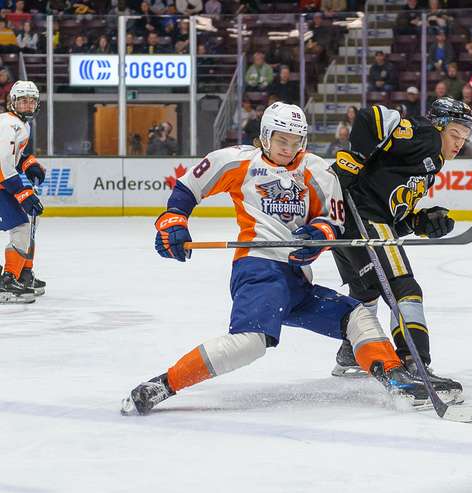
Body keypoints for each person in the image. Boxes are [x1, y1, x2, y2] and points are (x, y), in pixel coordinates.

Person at [121, 103, 435, 416]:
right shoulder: (240, 161)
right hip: (259, 270)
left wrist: (318, 236)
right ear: (265, 137)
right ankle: (163, 383)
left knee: (358, 317)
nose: (289, 148)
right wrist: (174, 219)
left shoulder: (316, 169)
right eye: (282, 140)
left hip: (297, 280)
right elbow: (190, 185)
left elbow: (333, 222)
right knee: (249, 343)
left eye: (295, 141)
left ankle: (396, 378)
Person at [328, 98, 472, 396]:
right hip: (363, 216)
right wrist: (353, 159)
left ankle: (351, 353)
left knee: (365, 293)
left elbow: (393, 213)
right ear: (440, 127)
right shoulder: (427, 137)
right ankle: (415, 362)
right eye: (455, 134)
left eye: (464, 137)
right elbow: (372, 117)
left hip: (343, 219)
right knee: (404, 288)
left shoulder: (430, 162)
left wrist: (421, 222)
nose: (459, 143)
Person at [0, 81, 45, 303]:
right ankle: (8, 280)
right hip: (2, 184)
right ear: (13, 102)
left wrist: (30, 164)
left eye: (31, 101)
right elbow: (2, 163)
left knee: (22, 227)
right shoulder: (8, 124)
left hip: (3, 184)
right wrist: (23, 194)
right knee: (21, 227)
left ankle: (20, 274)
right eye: (22, 101)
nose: (27, 105)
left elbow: (17, 156)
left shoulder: (21, 124)